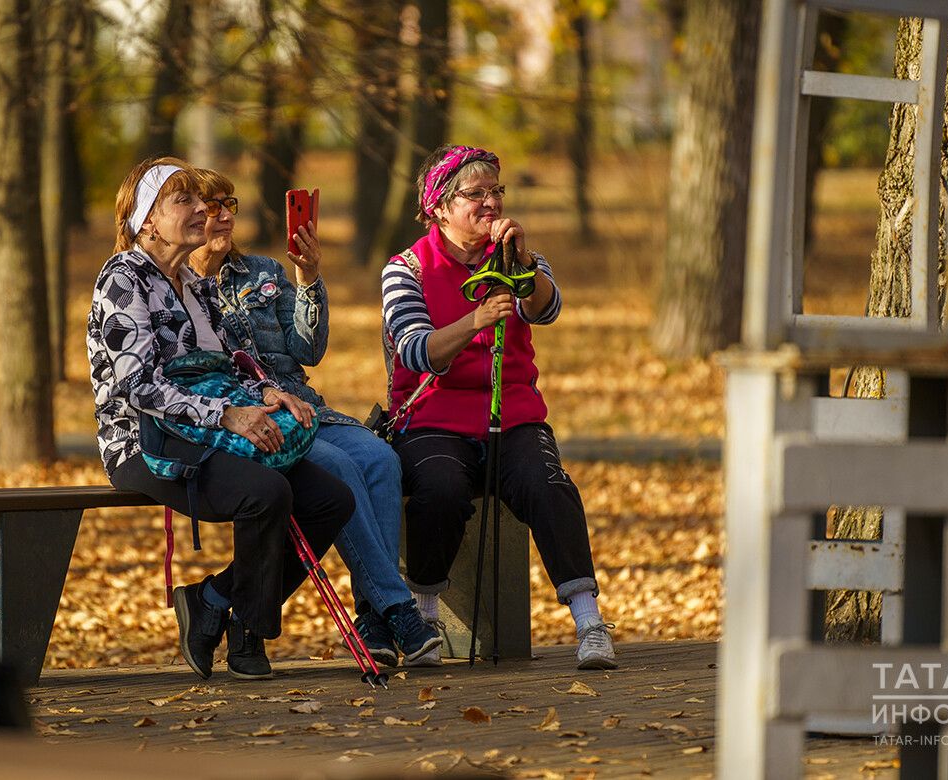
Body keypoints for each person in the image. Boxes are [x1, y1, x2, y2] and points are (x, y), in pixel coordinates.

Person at [87, 157, 354, 681]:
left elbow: (232, 364)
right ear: (146, 220)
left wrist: (272, 394)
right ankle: (250, 635)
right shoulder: (123, 280)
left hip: (213, 429)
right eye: (182, 201)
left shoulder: (194, 282)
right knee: (267, 493)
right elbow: (136, 385)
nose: (200, 209)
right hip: (146, 442)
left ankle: (213, 600)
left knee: (330, 499)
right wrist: (226, 414)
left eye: (199, 200)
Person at [187, 168, 441, 667]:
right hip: (250, 420)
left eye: (228, 205)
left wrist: (308, 280)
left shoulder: (262, 273)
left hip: (304, 407)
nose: (221, 216)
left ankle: (372, 618)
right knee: (337, 470)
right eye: (210, 207)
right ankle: (397, 608)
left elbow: (310, 348)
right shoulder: (182, 290)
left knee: (380, 458)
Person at [380, 144, 617, 670]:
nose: (490, 203)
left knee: (549, 485)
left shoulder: (515, 256)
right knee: (438, 489)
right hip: (433, 418)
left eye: (496, 192)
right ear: (439, 206)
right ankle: (426, 616)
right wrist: (474, 321)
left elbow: (547, 308)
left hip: (514, 415)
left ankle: (589, 621)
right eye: (475, 194)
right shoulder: (406, 269)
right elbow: (416, 350)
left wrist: (524, 264)